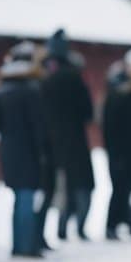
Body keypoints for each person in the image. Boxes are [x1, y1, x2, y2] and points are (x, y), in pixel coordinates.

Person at [41, 30, 95, 241]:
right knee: (82, 187)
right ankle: (78, 226)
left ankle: (61, 228)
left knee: (63, 188)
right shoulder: (75, 79)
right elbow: (87, 112)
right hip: (75, 140)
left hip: (52, 142)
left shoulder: (46, 81)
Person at [0, 42, 47, 258]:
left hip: (9, 150)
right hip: (28, 151)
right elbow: (38, 126)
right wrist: (43, 150)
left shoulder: (2, 89)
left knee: (19, 200)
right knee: (26, 199)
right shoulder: (31, 91)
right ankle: (26, 245)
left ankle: (18, 244)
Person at [102, 56, 131, 240]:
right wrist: (116, 154)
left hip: (128, 152)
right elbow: (111, 130)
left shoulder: (128, 97)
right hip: (120, 153)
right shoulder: (116, 98)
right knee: (119, 190)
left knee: (126, 190)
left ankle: (122, 222)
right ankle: (113, 224)